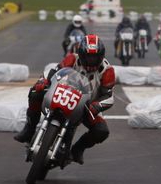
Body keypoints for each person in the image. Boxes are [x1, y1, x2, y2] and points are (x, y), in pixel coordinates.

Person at [14, 35, 115, 164]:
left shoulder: (107, 70)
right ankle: (29, 129)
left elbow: (109, 96)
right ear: (81, 54)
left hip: (87, 106)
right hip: (63, 94)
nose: (91, 60)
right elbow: (54, 72)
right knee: (35, 92)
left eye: (95, 57)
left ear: (101, 56)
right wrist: (43, 81)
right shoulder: (72, 58)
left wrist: (97, 105)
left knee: (102, 131)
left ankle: (77, 150)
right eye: (88, 56)